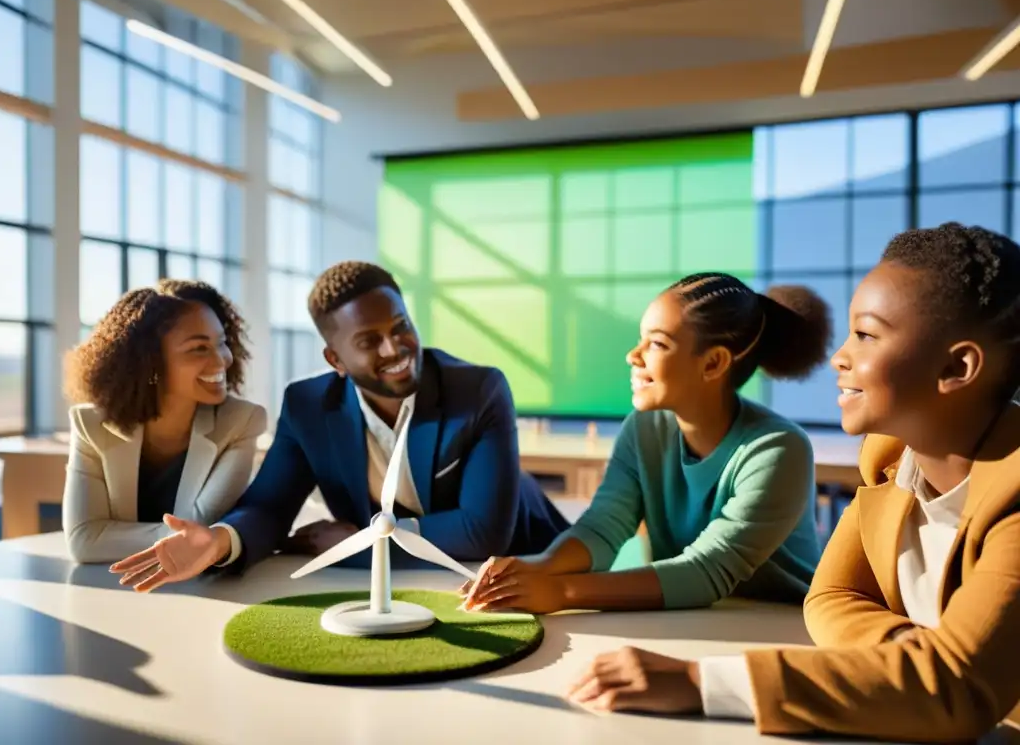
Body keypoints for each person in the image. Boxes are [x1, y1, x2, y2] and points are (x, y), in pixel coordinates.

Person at [563, 223, 1020, 743]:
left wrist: (702, 681)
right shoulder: (889, 460)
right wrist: (913, 655)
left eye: (866, 335)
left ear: (957, 366)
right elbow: (829, 598)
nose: (838, 357)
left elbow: (953, 689)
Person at [109, 261, 571, 592]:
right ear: (336, 360)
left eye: (401, 326)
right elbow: (269, 507)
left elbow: (481, 530)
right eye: (369, 341)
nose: (395, 348)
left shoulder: (479, 391)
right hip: (413, 586)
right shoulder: (309, 406)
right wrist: (220, 543)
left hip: (531, 571)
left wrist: (359, 542)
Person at [462, 271, 832, 615]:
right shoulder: (644, 429)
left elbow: (706, 573)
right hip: (689, 618)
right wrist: (533, 568)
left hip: (782, 629)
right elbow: (602, 528)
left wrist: (560, 592)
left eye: (656, 343)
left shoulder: (777, 449)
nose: (632, 355)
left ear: (713, 363)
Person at [62, 279, 267, 564]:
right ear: (150, 363)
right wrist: (187, 541)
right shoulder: (91, 425)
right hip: (113, 585)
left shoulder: (241, 421)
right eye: (199, 348)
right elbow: (85, 541)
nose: (222, 360)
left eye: (221, 343)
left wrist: (115, 536)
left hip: (199, 588)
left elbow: (200, 534)